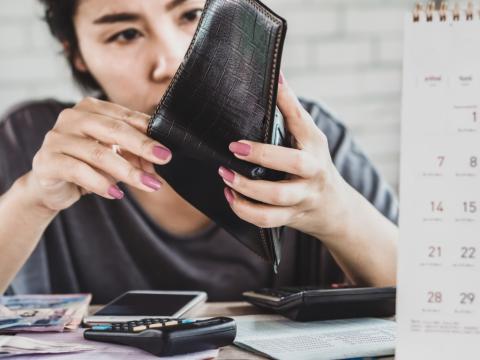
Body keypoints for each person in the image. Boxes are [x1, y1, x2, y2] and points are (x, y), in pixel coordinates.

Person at [0, 0, 398, 303]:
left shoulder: (306, 143)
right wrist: (31, 200)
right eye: (125, 34)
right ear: (77, 54)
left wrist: (336, 213)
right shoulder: (35, 142)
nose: (170, 61)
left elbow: (430, 305)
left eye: (192, 15)